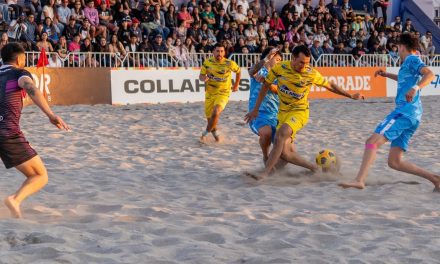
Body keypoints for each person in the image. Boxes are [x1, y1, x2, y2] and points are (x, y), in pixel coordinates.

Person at [245, 45, 364, 180]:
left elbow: (330, 85)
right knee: (285, 153)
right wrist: (255, 109)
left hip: (299, 112)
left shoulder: (310, 73)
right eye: (301, 62)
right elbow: (265, 85)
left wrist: (350, 95)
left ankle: (265, 173)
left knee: (281, 134)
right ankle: (316, 169)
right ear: (293, 58)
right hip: (282, 113)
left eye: (307, 62)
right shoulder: (280, 68)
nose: (304, 66)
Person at [339, 33, 439, 191]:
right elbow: (405, 80)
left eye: (398, 48)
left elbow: (430, 74)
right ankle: (435, 179)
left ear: (402, 47)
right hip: (414, 116)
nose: (397, 51)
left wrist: (416, 88)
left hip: (405, 112)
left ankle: (359, 180)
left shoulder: (412, 59)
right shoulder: (407, 63)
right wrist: (386, 75)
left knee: (371, 142)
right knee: (394, 162)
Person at [0, 43, 70, 218]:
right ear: (19, 59)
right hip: (7, 134)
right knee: (40, 175)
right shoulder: (19, 73)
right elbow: (32, 89)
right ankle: (15, 199)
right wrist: (51, 115)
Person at [199, 43, 241, 143]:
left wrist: (236, 85)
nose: (220, 53)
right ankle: (217, 138)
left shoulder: (229, 63)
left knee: (216, 112)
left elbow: (238, 71)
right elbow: (201, 76)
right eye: (217, 51)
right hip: (209, 94)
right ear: (213, 52)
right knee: (211, 121)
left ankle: (204, 133)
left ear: (224, 52)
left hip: (223, 92)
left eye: (222, 51)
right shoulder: (207, 62)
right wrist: (203, 78)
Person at [248, 47, 282, 162]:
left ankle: (275, 166)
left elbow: (278, 90)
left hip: (276, 116)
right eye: (277, 59)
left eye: (280, 60)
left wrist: (267, 83)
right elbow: (252, 71)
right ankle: (266, 157)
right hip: (258, 115)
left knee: (287, 150)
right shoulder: (259, 72)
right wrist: (266, 59)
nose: (279, 62)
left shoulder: (280, 76)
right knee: (266, 133)